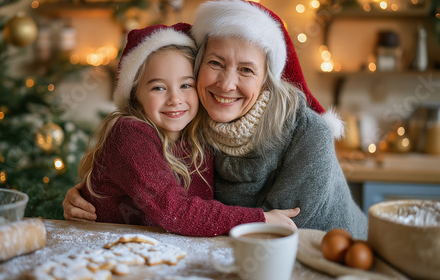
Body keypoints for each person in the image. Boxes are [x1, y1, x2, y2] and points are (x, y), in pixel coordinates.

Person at [64, 0, 368, 239]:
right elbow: (167, 198)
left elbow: (279, 232)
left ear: (267, 81)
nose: (225, 84)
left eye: (246, 70)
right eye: (215, 63)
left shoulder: (307, 134)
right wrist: (97, 192)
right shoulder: (195, 124)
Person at [76, 22, 299, 237]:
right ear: (134, 95)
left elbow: (202, 213)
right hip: (109, 254)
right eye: (158, 87)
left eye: (185, 85)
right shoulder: (129, 134)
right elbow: (176, 212)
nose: (175, 99)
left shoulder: (198, 135)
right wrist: (260, 219)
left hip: (160, 252)